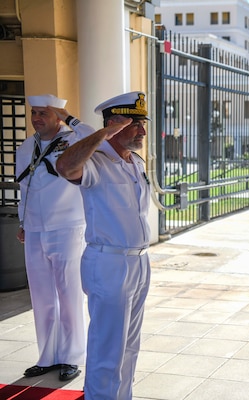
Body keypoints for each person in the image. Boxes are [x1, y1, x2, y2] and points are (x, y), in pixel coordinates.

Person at [56, 91, 151, 400]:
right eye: (136, 124)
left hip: (139, 262)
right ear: (114, 124)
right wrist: (103, 135)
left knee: (129, 346)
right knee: (108, 346)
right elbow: (65, 167)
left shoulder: (134, 162)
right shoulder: (95, 161)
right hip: (109, 263)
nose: (143, 132)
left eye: (142, 124)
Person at [16, 94, 95, 381]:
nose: (37, 118)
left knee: (69, 293)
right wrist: (24, 222)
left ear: (58, 115)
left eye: (44, 113)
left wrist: (70, 117)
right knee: (42, 297)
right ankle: (47, 356)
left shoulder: (74, 140)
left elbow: (97, 137)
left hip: (68, 227)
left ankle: (72, 357)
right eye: (34, 113)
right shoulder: (26, 147)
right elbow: (25, 187)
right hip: (35, 229)